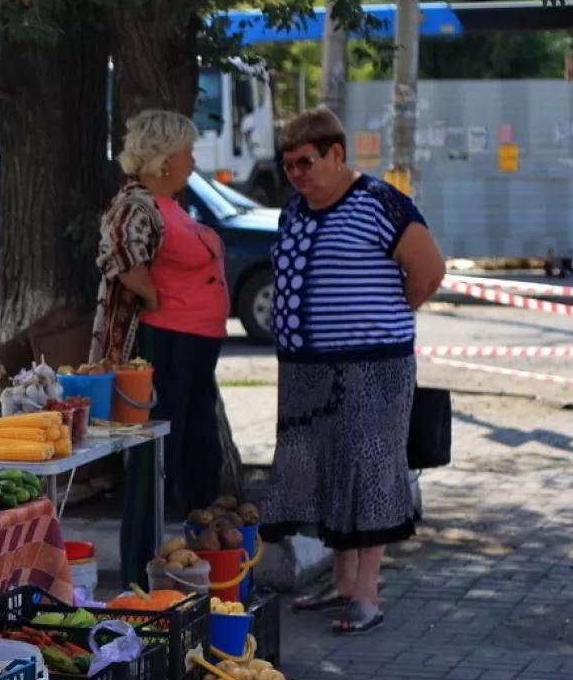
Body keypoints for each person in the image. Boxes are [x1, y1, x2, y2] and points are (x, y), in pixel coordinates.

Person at [261, 107, 444, 635]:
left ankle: (367, 594)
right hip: (305, 371)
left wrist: (379, 319)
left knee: (368, 472)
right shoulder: (294, 212)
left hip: (373, 367)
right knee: (323, 470)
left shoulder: (381, 202)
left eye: (306, 161)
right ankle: (340, 583)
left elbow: (429, 271)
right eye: (288, 165)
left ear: (337, 154)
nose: (296, 173)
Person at [93, 109, 228, 515]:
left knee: (198, 450)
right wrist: (150, 295)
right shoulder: (137, 203)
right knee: (161, 454)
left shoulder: (169, 204)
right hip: (168, 342)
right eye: (189, 151)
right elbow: (118, 251)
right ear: (166, 159)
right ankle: (147, 554)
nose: (193, 160)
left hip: (195, 344)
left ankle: (196, 548)